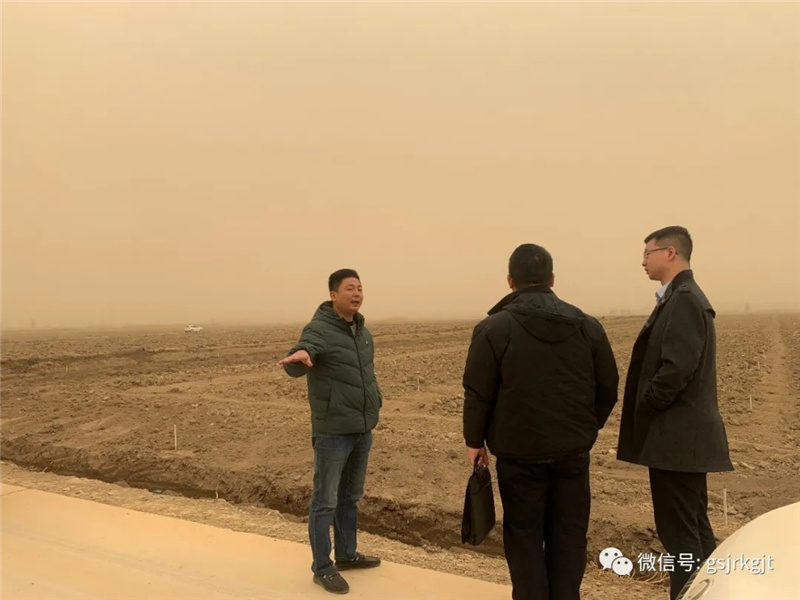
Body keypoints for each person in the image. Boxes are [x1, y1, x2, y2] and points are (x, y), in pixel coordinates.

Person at [462, 243, 619, 600]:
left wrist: (475, 441)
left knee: (524, 536)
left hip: (519, 457)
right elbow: (608, 388)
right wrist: (585, 428)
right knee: (569, 535)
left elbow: (478, 392)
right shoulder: (588, 326)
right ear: (552, 279)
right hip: (572, 455)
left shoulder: (494, 328)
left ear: (510, 281)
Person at [616, 226, 733, 600]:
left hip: (677, 441)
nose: (642, 261)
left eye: (647, 253)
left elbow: (677, 368)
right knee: (694, 528)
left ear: (670, 253)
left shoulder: (683, 300)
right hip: (683, 441)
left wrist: (648, 402)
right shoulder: (681, 297)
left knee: (681, 535)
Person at [278, 268, 383, 595]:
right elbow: (306, 348)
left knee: (350, 497)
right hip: (333, 432)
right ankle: (323, 567)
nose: (357, 293)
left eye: (360, 288)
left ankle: (347, 554)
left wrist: (375, 401)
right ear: (333, 295)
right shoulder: (320, 328)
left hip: (361, 429)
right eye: (350, 288)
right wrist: (301, 357)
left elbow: (366, 374)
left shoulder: (362, 332)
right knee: (325, 501)